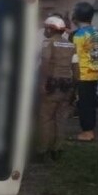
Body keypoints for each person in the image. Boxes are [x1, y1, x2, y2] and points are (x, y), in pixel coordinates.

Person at [35, 15, 75, 161]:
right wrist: (74, 88)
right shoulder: (71, 45)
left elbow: (45, 62)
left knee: (46, 118)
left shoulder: (48, 43)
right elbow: (75, 67)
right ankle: (57, 150)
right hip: (67, 85)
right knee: (61, 119)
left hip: (52, 85)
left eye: (46, 28)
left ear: (51, 29)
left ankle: (42, 151)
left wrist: (43, 83)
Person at [69, 2, 98, 143]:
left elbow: (74, 55)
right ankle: (89, 130)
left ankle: (87, 132)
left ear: (76, 16)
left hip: (82, 73)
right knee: (89, 102)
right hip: (94, 72)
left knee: (84, 104)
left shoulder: (77, 35)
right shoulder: (97, 32)